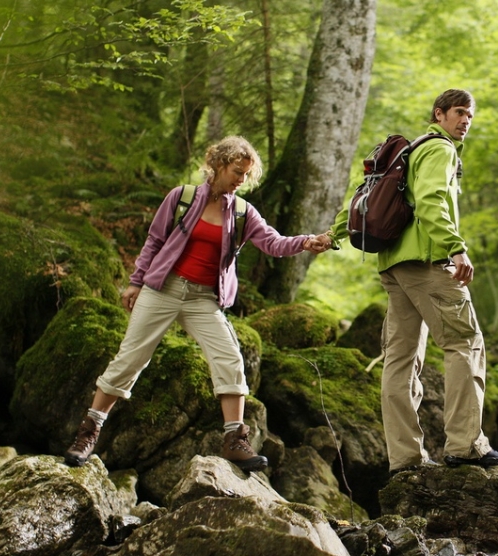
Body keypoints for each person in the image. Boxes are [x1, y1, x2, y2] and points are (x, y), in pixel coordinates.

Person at [64, 135, 332, 471]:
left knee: (230, 359)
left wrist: (307, 242)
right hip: (163, 289)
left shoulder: (242, 212)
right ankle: (88, 432)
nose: (241, 179)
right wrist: (135, 282)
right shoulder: (182, 198)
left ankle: (235, 440)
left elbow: (273, 243)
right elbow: (154, 241)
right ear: (218, 164)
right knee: (130, 359)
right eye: (237, 171)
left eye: (247, 175)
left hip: (204, 299)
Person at [328, 89, 498, 473]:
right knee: (464, 344)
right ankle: (466, 445)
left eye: (470, 116)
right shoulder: (440, 149)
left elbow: (364, 198)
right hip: (428, 264)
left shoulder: (408, 152)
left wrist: (333, 235)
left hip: (393, 265)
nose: (465, 121)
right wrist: (456, 248)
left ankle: (405, 458)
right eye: (459, 113)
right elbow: (430, 201)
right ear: (439, 114)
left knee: (400, 359)